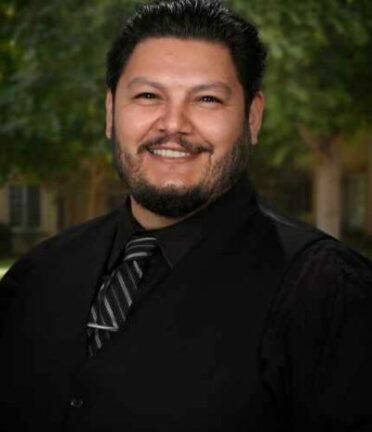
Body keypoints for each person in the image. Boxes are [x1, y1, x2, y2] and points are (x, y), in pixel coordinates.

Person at [1, 0, 371, 430]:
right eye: (147, 96)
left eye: (207, 99)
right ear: (109, 112)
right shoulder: (34, 278)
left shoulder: (330, 295)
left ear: (252, 117)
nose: (172, 124)